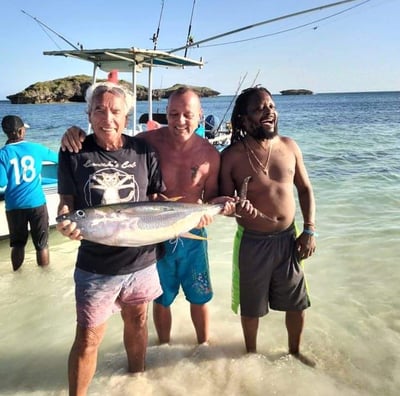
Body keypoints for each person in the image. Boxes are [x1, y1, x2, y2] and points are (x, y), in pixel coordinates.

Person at [61, 86, 235, 347]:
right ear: (166, 113)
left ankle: (203, 349)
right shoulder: (149, 142)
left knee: (199, 296)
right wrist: (74, 132)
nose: (180, 121)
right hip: (153, 232)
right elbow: (113, 139)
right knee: (161, 299)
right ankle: (163, 347)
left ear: (200, 115)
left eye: (188, 114)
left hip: (191, 230)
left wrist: (216, 210)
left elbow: (210, 199)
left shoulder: (210, 154)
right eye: (174, 114)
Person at [56, 81, 165, 396]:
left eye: (115, 110)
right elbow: (67, 202)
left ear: (127, 115)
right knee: (88, 339)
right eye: (99, 109)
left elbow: (158, 196)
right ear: (88, 114)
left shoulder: (143, 150)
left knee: (139, 323)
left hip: (142, 261)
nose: (108, 117)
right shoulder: (74, 150)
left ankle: (137, 383)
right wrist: (65, 221)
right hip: (95, 267)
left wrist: (190, 210)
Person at [219, 86, 316, 364]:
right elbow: (225, 203)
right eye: (260, 108)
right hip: (253, 242)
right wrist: (236, 208)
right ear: (243, 119)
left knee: (297, 303)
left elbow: (305, 189)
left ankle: (295, 352)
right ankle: (251, 356)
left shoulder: (289, 146)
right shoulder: (231, 157)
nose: (269, 111)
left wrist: (309, 229)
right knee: (251, 307)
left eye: (271, 106)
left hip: (289, 240)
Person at [0, 115, 58, 271]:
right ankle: (45, 276)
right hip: (36, 203)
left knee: (17, 245)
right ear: (21, 131)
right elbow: (58, 159)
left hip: (14, 206)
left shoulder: (2, 154)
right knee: (42, 245)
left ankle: (17, 275)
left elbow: (2, 182)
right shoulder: (36, 148)